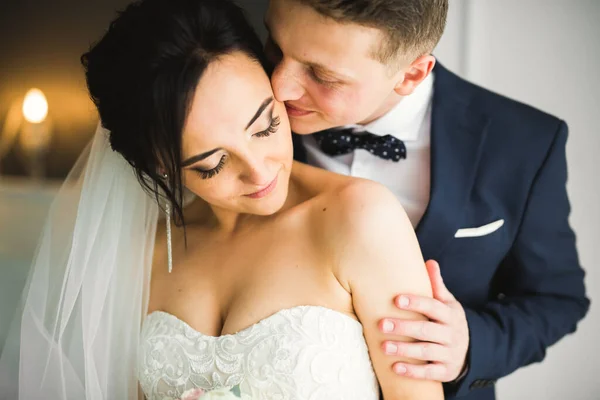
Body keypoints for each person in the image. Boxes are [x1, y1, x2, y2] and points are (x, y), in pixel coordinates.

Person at [0, 0, 444, 399]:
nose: (260, 169)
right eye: (211, 164)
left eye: (267, 125)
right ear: (161, 167)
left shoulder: (362, 218)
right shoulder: (142, 252)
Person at [262, 0, 590, 399]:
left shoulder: (524, 143)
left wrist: (470, 343)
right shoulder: (238, 103)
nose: (279, 85)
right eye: (275, 47)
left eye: (322, 75)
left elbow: (557, 299)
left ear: (411, 74)